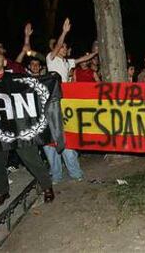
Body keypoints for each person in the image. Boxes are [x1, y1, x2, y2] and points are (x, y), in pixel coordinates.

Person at [0, 50, 54, 207]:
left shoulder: (18, 80)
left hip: (20, 129)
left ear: (5, 62)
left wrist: (52, 79)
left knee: (33, 160)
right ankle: (2, 192)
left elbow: (38, 88)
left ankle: (47, 186)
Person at [44, 18, 96, 184]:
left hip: (66, 103)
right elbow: (57, 46)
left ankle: (75, 172)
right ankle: (56, 175)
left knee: (68, 136)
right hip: (52, 103)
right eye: (63, 47)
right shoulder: (51, 59)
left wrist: (96, 52)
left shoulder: (68, 62)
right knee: (52, 139)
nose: (65, 49)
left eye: (66, 47)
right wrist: (64, 32)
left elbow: (82, 59)